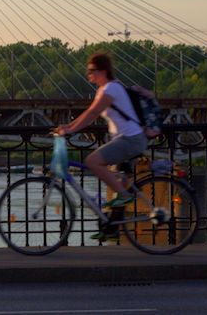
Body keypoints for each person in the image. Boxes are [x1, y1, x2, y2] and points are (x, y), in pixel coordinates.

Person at [56, 52, 149, 240]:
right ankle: (112, 227)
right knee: (118, 180)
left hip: (130, 140)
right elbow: (89, 113)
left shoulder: (111, 89)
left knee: (92, 161)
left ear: (104, 71)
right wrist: (68, 127)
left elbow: (92, 114)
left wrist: (70, 130)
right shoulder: (103, 90)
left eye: (92, 70)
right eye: (88, 70)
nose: (89, 74)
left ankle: (124, 195)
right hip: (123, 140)